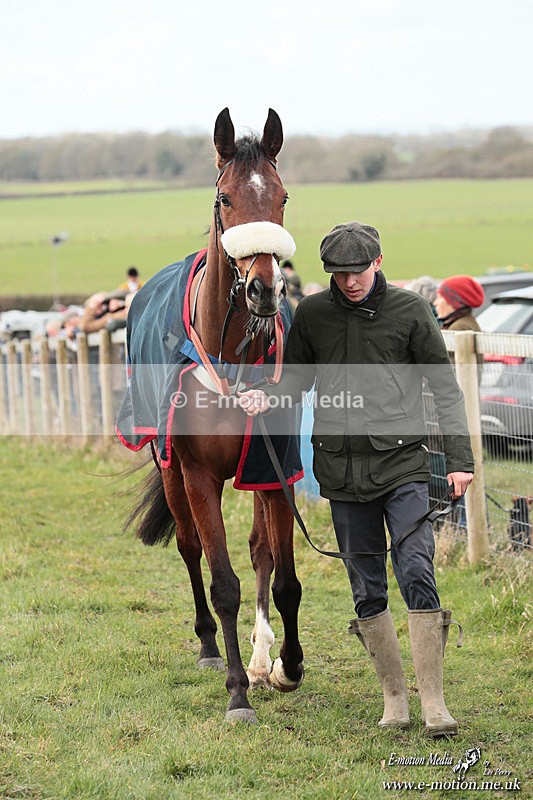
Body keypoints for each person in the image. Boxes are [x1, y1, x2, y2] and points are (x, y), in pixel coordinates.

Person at [238, 221, 475, 737]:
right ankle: (394, 698)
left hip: (404, 465)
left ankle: (433, 701)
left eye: (357, 271)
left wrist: (460, 460)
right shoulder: (315, 314)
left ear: (378, 261)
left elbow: (443, 388)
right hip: (343, 474)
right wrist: (266, 396)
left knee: (416, 570)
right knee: (366, 587)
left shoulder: (412, 312)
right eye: (339, 273)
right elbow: (297, 379)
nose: (349, 282)